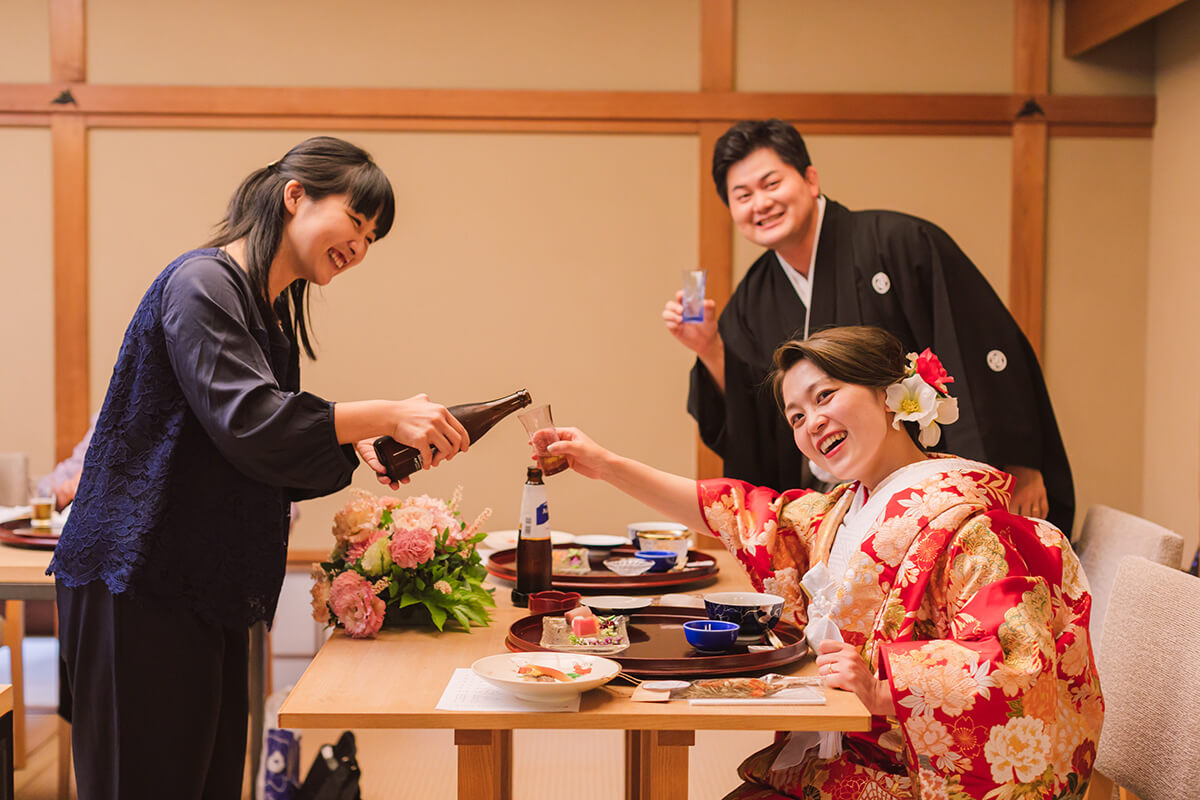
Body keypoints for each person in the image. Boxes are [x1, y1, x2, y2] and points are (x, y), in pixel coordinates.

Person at [49, 136, 470, 800]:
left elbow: (260, 451)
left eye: (371, 238)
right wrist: (382, 414)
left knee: (211, 781)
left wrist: (351, 444)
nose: (359, 247)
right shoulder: (202, 282)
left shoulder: (266, 311)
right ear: (294, 195)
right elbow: (251, 421)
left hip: (202, 584)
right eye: (355, 222)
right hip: (141, 583)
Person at [545, 326, 1101, 799]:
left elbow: (1016, 664)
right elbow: (734, 510)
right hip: (834, 760)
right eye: (795, 416)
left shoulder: (970, 523)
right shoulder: (840, 509)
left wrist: (887, 690)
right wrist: (605, 464)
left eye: (826, 395)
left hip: (904, 777)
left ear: (891, 394)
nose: (810, 422)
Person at [663, 119, 1075, 532]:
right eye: (743, 196)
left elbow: (982, 345)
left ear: (809, 179)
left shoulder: (900, 243)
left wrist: (1018, 463)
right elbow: (752, 420)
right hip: (836, 513)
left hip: (931, 495)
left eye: (771, 184)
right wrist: (710, 349)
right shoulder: (753, 298)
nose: (760, 204)